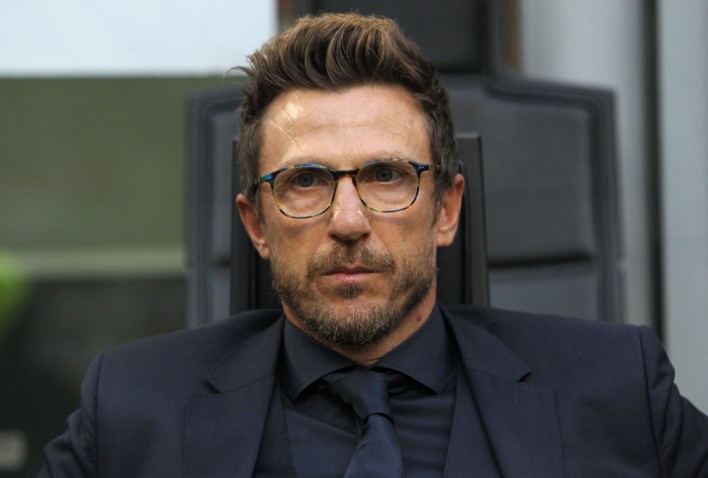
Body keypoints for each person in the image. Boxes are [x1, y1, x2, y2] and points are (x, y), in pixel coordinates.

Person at [39, 12, 708, 478]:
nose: (349, 221)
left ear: (447, 210)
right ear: (256, 226)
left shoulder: (616, 389)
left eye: (387, 175)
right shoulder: (133, 410)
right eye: (306, 181)